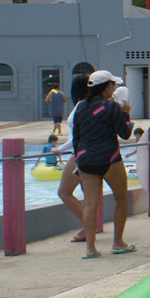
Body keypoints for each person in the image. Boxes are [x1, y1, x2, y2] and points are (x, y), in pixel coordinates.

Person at [72, 69, 139, 258]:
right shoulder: (112, 107)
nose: (114, 87)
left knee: (90, 204)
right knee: (121, 199)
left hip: (86, 159)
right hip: (109, 158)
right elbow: (125, 133)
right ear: (106, 87)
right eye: (113, 84)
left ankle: (90, 249)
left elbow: (76, 137)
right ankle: (118, 242)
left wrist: (78, 160)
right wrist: (126, 115)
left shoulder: (80, 107)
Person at [58, 74, 92, 242]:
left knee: (64, 192)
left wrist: (59, 149)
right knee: (89, 194)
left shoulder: (81, 106)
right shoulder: (93, 105)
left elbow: (77, 136)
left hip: (79, 152)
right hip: (90, 151)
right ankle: (91, 226)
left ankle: (88, 227)